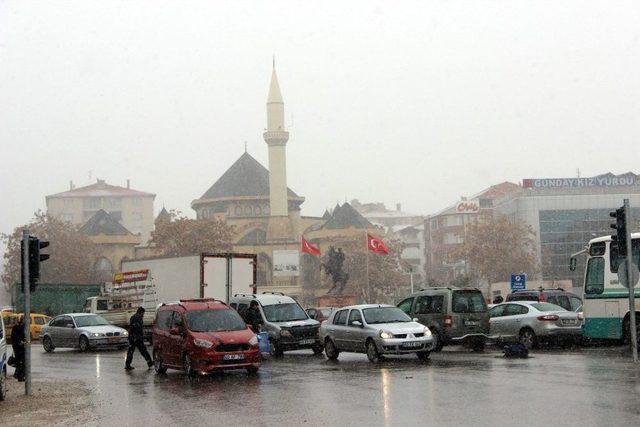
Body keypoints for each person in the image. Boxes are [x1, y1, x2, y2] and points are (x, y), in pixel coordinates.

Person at [11, 316, 26, 381]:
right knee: (22, 362)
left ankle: (18, 375)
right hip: (20, 347)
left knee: (19, 361)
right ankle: (20, 376)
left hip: (16, 346)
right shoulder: (23, 327)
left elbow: (12, 337)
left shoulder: (15, 327)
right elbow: (24, 336)